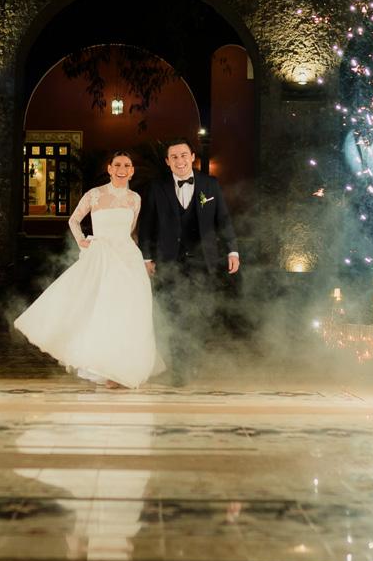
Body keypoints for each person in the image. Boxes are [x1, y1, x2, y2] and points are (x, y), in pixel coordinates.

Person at [14, 152, 164, 389]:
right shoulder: (94, 194)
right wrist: (82, 241)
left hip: (128, 258)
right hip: (101, 256)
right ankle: (103, 366)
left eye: (127, 165)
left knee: (130, 312)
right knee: (101, 310)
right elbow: (73, 220)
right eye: (117, 165)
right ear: (110, 168)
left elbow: (132, 231)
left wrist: (140, 257)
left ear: (132, 171)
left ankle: (122, 369)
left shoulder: (135, 198)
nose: (122, 169)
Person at [138, 137, 240, 385]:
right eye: (174, 157)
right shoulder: (157, 187)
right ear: (167, 161)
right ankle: (181, 370)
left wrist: (233, 251)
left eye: (184, 155)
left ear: (192, 157)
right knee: (174, 313)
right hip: (168, 261)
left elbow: (223, 220)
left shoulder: (210, 184)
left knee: (200, 313)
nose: (180, 161)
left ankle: (193, 363)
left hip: (203, 261)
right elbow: (147, 225)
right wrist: (147, 257)